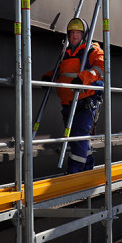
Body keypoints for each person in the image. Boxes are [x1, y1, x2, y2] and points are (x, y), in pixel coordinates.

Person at [43, 18, 104, 174]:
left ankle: (74, 172)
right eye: (72, 33)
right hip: (68, 102)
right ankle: (88, 168)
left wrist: (83, 78)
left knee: (77, 136)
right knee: (78, 138)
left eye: (78, 32)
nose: (74, 36)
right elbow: (61, 72)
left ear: (84, 35)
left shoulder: (92, 50)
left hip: (85, 100)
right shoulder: (66, 53)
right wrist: (49, 77)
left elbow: (100, 68)